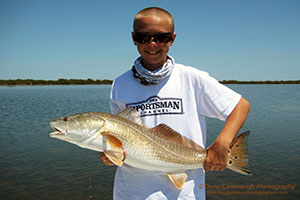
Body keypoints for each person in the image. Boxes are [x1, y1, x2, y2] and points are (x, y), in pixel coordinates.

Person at [100, 7, 250, 200]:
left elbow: (240, 106)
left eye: (161, 37)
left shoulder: (192, 78)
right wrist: (110, 155)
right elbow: (120, 138)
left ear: (172, 38)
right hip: (131, 193)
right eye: (143, 37)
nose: (152, 44)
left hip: (185, 194)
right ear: (133, 38)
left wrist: (223, 143)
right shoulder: (120, 84)